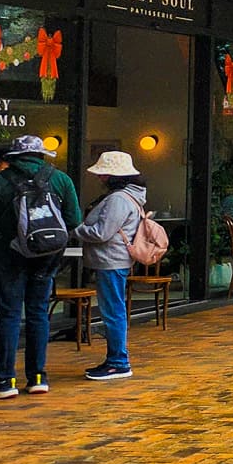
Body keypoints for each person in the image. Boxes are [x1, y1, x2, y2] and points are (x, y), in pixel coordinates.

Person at [0, 135, 82, 399]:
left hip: (9, 255)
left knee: (9, 315)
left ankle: (5, 380)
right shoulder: (61, 179)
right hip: (48, 254)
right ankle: (38, 377)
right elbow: (73, 219)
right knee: (38, 312)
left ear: (13, 156)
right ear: (42, 155)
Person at [73, 152, 150, 381]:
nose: (101, 178)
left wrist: (75, 230)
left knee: (112, 311)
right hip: (115, 260)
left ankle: (118, 361)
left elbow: (101, 233)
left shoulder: (118, 199)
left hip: (111, 260)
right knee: (114, 310)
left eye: (104, 174)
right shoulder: (130, 196)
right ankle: (116, 359)